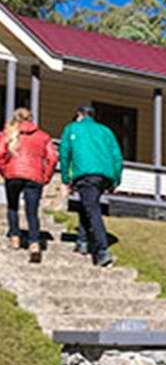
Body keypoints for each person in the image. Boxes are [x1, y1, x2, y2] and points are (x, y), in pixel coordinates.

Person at [59, 103, 123, 267]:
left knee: (92, 209)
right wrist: (116, 179)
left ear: (79, 115)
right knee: (87, 204)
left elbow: (64, 154)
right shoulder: (106, 131)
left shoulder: (72, 128)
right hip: (104, 175)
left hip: (85, 174)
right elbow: (117, 156)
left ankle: (102, 251)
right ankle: (82, 241)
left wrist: (66, 179)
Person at [0, 107, 58, 262]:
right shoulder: (43, 136)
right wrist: (45, 176)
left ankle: (15, 238)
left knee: (12, 207)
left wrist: (4, 171)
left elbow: (0, 153)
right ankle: (34, 243)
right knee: (32, 211)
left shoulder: (8, 133)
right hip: (34, 176)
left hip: (13, 174)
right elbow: (53, 158)